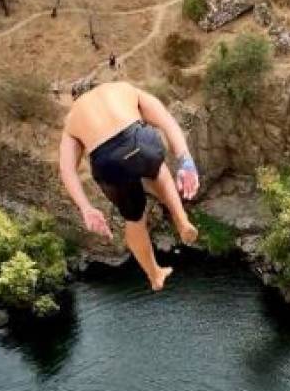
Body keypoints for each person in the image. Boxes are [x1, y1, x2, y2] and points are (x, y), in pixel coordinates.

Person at [59, 81, 199, 291]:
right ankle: (181, 220)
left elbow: (67, 170)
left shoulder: (72, 119)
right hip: (140, 142)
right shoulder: (122, 88)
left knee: (134, 219)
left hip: (108, 162)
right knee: (158, 169)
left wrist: (86, 208)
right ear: (100, 85)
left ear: (75, 99)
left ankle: (155, 275)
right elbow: (166, 121)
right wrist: (186, 161)